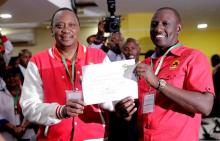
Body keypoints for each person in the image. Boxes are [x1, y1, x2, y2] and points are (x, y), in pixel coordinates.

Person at [116, 7, 214, 141]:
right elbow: (138, 109)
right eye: (154, 24)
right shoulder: (143, 65)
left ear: (178, 29)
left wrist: (158, 83)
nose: (158, 29)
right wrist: (126, 113)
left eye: (165, 24)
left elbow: (205, 106)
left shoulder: (193, 57)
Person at [20, 8, 113, 141]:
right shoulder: (38, 61)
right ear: (52, 30)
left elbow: (112, 96)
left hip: (93, 136)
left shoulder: (99, 57)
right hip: (53, 137)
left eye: (71, 25)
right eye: (59, 26)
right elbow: (29, 106)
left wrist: (120, 104)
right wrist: (59, 111)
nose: (66, 30)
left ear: (78, 28)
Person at [0, 67, 36, 141]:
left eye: (14, 75)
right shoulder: (1, 95)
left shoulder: (29, 93)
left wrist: (24, 127)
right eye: (8, 77)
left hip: (28, 135)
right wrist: (13, 128)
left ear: (19, 76)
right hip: (7, 137)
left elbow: (35, 111)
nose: (11, 79)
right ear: (3, 79)